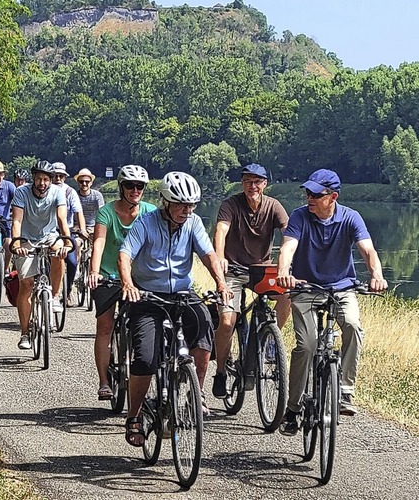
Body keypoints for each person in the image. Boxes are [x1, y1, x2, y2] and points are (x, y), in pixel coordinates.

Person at [118, 172, 232, 446]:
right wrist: (128, 284)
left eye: (191, 205)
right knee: (145, 357)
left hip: (181, 293)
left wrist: (221, 284)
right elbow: (125, 254)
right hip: (148, 297)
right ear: (165, 202)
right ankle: (134, 415)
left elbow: (209, 255)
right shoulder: (146, 222)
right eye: (180, 204)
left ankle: (197, 393)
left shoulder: (193, 223)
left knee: (205, 322)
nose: (186, 210)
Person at [276, 169, 388, 435]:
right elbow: (287, 248)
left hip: (341, 288)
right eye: (307, 192)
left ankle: (345, 391)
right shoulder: (300, 216)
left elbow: (368, 250)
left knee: (352, 325)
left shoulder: (351, 218)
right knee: (306, 345)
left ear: (333, 196)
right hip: (305, 287)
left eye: (316, 194)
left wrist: (377, 275)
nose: (309, 198)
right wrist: (284, 272)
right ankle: (292, 408)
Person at [211, 163, 290, 399]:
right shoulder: (231, 205)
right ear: (242, 184)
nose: (252, 186)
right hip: (232, 269)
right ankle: (221, 371)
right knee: (227, 322)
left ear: (265, 184)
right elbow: (221, 231)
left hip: (260, 270)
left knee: (287, 294)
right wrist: (219, 258)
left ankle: (270, 340)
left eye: (257, 182)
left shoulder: (273, 206)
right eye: (247, 181)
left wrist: (288, 258)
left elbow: (290, 233)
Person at [88, 165, 156, 401]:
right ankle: (104, 381)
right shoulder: (107, 212)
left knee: (144, 327)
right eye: (130, 185)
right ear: (121, 187)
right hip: (109, 275)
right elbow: (99, 242)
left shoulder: (150, 212)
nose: (135, 190)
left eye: (139, 186)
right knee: (105, 326)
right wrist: (94, 271)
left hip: (138, 278)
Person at [10, 161, 72, 350]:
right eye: (39, 179)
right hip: (26, 239)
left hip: (49, 236)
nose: (42, 183)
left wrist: (68, 240)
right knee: (26, 285)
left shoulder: (57, 192)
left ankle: (54, 296)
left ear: (51, 180)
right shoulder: (21, 192)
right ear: (33, 179)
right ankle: (25, 333)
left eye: (46, 179)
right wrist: (17, 243)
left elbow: (61, 218)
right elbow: (17, 220)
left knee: (60, 252)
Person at [52, 161, 87, 307]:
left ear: (65, 177)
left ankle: (67, 291)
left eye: (61, 176)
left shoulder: (69, 192)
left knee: (72, 262)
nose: (58, 179)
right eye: (55, 176)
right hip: (50, 232)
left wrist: (83, 229)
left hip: (67, 231)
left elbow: (78, 213)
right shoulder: (46, 191)